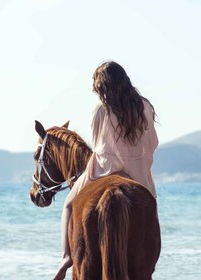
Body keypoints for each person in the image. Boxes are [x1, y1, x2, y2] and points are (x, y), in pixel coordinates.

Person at [53, 60, 159, 280]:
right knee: (151, 207)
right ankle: (150, 257)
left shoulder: (100, 110)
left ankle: (65, 257)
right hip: (137, 172)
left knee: (69, 205)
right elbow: (152, 143)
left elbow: (98, 146)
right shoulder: (145, 107)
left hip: (103, 169)